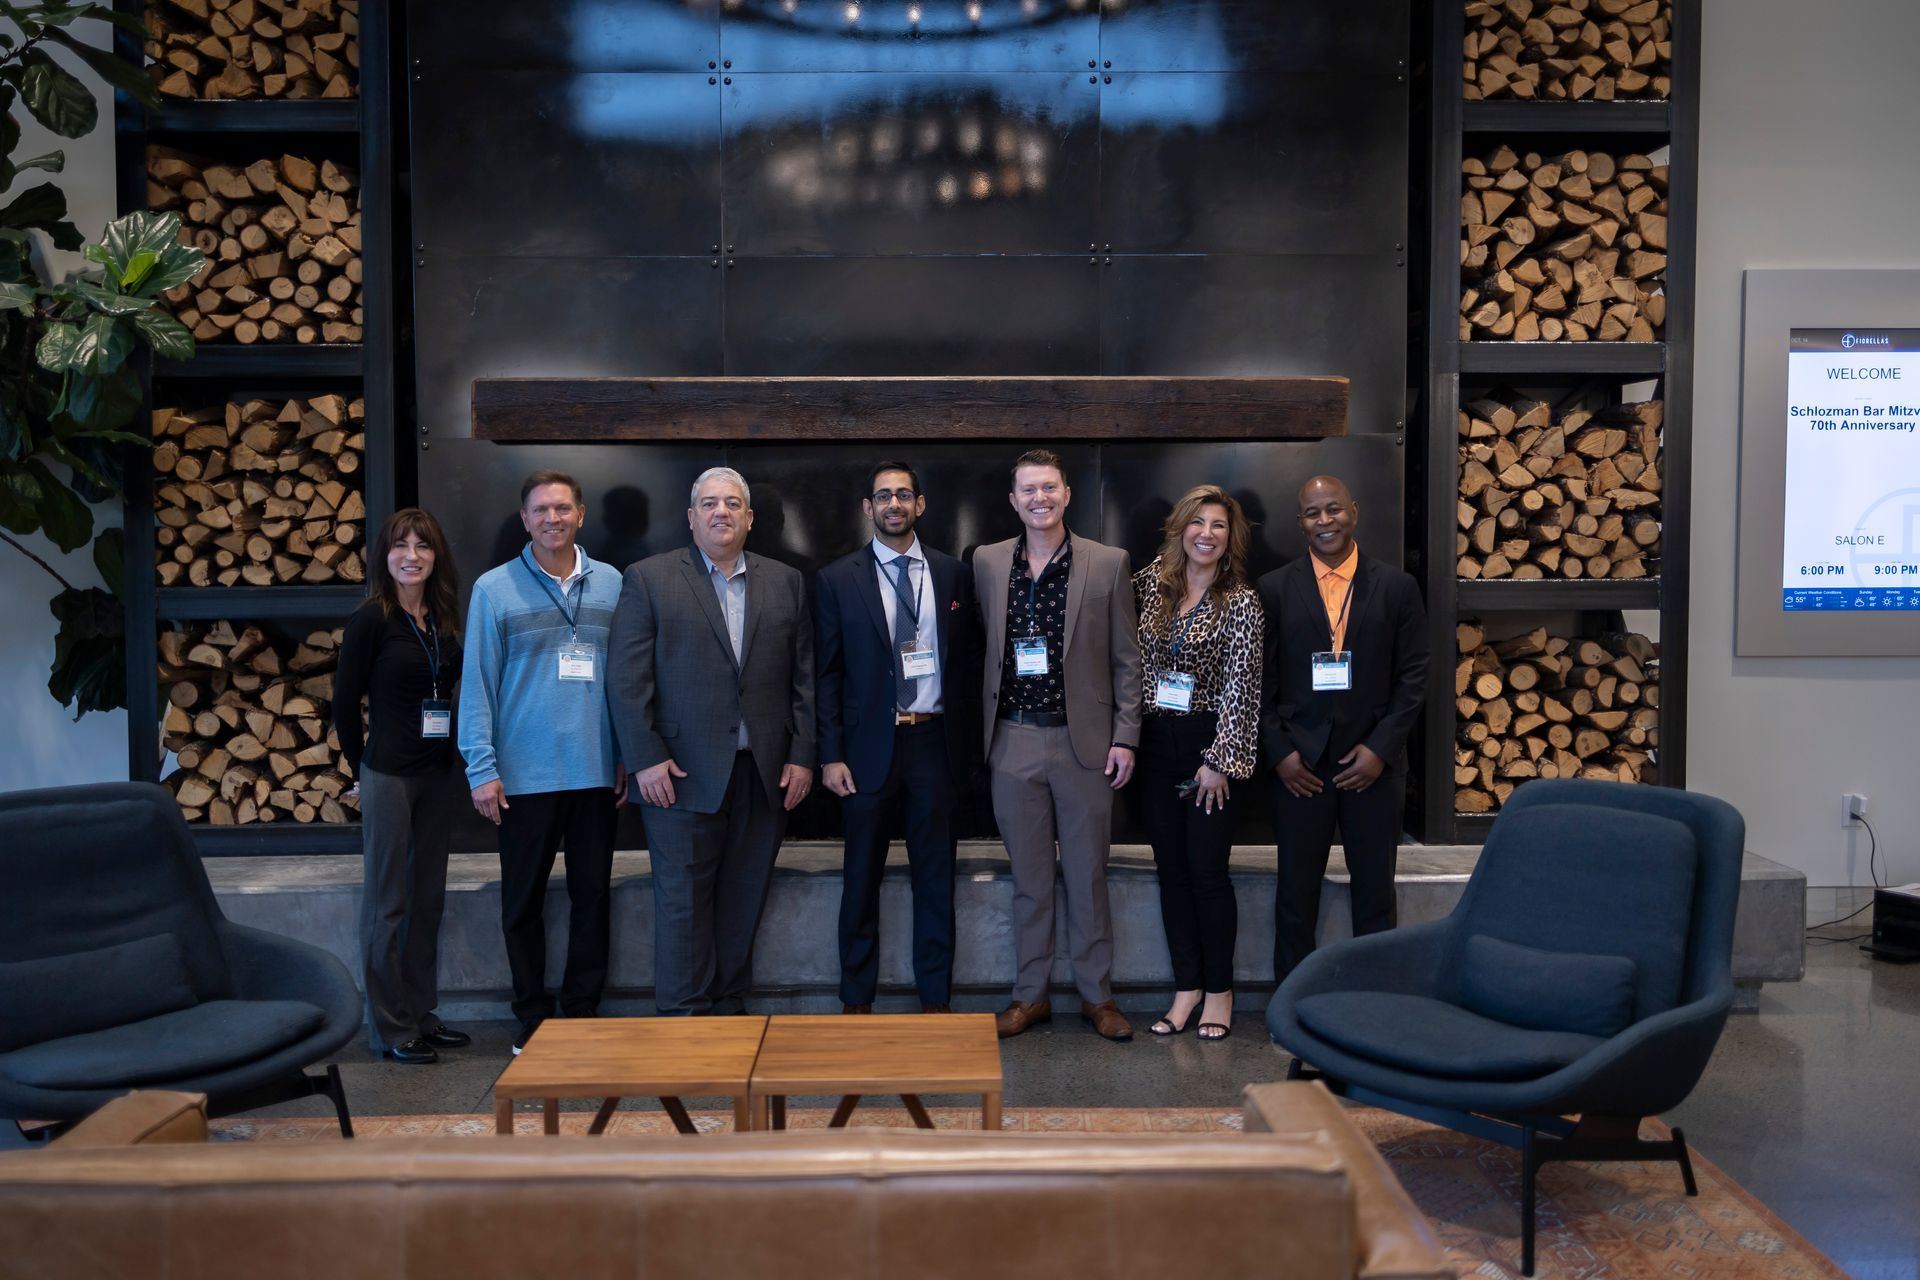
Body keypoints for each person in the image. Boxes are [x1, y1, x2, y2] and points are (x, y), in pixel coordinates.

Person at [609, 467, 816, 1016]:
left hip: (764, 774)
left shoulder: (786, 581)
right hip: (678, 774)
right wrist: (645, 759)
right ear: (691, 517)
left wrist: (802, 757)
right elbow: (627, 681)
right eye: (709, 503)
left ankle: (728, 1012)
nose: (720, 511)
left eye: (731, 503)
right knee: (683, 905)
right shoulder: (649, 578)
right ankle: (684, 1020)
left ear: (749, 517)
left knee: (744, 899)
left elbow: (804, 679)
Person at [975, 449, 1143, 1042]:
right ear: (1013, 500)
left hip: (1084, 744)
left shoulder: (1108, 562)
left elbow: (1127, 660)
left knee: (1088, 875)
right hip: (1012, 738)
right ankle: (1031, 995)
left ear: (1067, 494)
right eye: (1028, 490)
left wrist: (1126, 736)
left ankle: (1098, 996)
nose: (1039, 498)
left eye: (1049, 487)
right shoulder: (988, 562)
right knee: (1029, 880)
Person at [458, 471, 626, 1055]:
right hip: (522, 777)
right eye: (540, 510)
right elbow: (477, 684)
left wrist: (625, 755)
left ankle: (581, 1012)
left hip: (595, 771)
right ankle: (531, 1014)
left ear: (580, 514)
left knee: (592, 898)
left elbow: (626, 679)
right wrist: (481, 768)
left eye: (561, 508)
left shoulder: (612, 584)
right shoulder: (494, 589)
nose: (551, 519)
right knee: (522, 904)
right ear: (524, 519)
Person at [815, 461, 983, 1015]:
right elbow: (827, 676)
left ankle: (935, 1003)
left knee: (935, 881)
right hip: (866, 752)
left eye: (904, 495)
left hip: (934, 746)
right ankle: (856, 1002)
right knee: (860, 881)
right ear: (868, 507)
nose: (894, 504)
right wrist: (830, 755)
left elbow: (970, 664)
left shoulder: (953, 575)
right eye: (883, 496)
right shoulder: (837, 579)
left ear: (921, 504)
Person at [1258, 474, 1428, 983]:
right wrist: (1280, 755)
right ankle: (1293, 997)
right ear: (1300, 523)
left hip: (1372, 766)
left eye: (1333, 509)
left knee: (1375, 892)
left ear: (1354, 510)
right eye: (1313, 513)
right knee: (1295, 893)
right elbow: (1258, 681)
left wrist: (1381, 750)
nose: (1324, 520)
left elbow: (1414, 677)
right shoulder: (1274, 589)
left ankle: (1374, 999)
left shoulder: (1397, 587)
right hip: (1300, 768)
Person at [334, 508, 469, 1065]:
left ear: (436, 556)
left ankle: (420, 1013)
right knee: (387, 903)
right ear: (384, 556)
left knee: (427, 899)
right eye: (400, 545)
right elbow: (344, 702)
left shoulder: (442, 619)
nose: (411, 556)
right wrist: (359, 768)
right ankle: (390, 1027)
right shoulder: (371, 620)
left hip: (437, 774)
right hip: (389, 774)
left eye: (423, 545)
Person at [1132, 486, 1263, 1042]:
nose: (1206, 534)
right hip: (1154, 745)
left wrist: (1220, 762)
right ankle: (1186, 988)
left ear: (1231, 537)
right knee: (1171, 872)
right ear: (1180, 528)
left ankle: (1219, 992)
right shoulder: (1149, 585)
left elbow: (1243, 686)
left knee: (1207, 873)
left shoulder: (1242, 602)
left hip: (1209, 750)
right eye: (1198, 522)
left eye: (1218, 525)